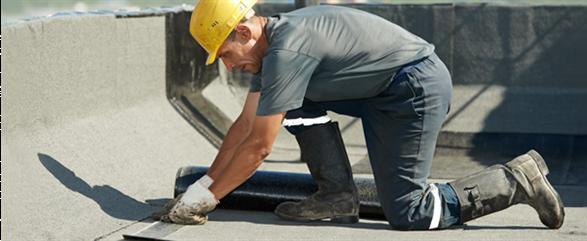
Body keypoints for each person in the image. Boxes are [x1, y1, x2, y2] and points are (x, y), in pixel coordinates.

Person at [154, 0, 564, 230]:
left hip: (413, 90)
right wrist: (206, 180)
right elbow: (245, 126)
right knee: (292, 102)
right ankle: (336, 193)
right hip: (380, 90)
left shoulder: (286, 51)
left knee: (410, 212)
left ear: (244, 32)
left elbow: (259, 148)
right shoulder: (271, 53)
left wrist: (206, 199)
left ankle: (515, 180)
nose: (228, 66)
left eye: (226, 54)